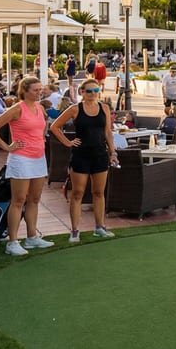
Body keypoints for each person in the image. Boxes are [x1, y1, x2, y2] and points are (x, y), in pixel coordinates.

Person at [0, 77, 54, 256]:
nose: (40, 93)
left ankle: (32, 237)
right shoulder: (17, 109)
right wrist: (7, 146)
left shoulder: (40, 108)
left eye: (40, 89)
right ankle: (12, 242)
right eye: (35, 90)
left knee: (35, 199)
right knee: (18, 200)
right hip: (21, 159)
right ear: (25, 91)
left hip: (39, 158)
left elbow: (41, 131)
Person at [50, 77, 118, 243]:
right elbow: (54, 126)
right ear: (82, 92)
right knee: (78, 193)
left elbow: (108, 132)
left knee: (99, 192)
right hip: (81, 155)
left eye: (96, 91)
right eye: (89, 91)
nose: (93, 94)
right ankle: (74, 230)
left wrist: (113, 152)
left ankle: (99, 227)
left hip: (100, 154)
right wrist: (68, 142)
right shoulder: (75, 109)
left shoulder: (105, 108)